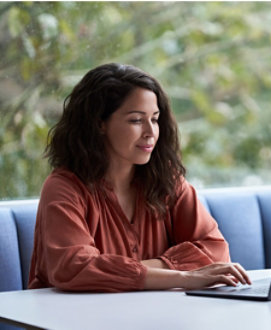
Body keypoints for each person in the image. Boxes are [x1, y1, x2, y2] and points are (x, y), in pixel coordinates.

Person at [28, 63, 251, 292]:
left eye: (154, 119)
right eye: (136, 120)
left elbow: (215, 249)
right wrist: (183, 276)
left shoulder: (166, 180)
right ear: (99, 124)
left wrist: (127, 270)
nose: (150, 132)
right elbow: (74, 268)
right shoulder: (64, 188)